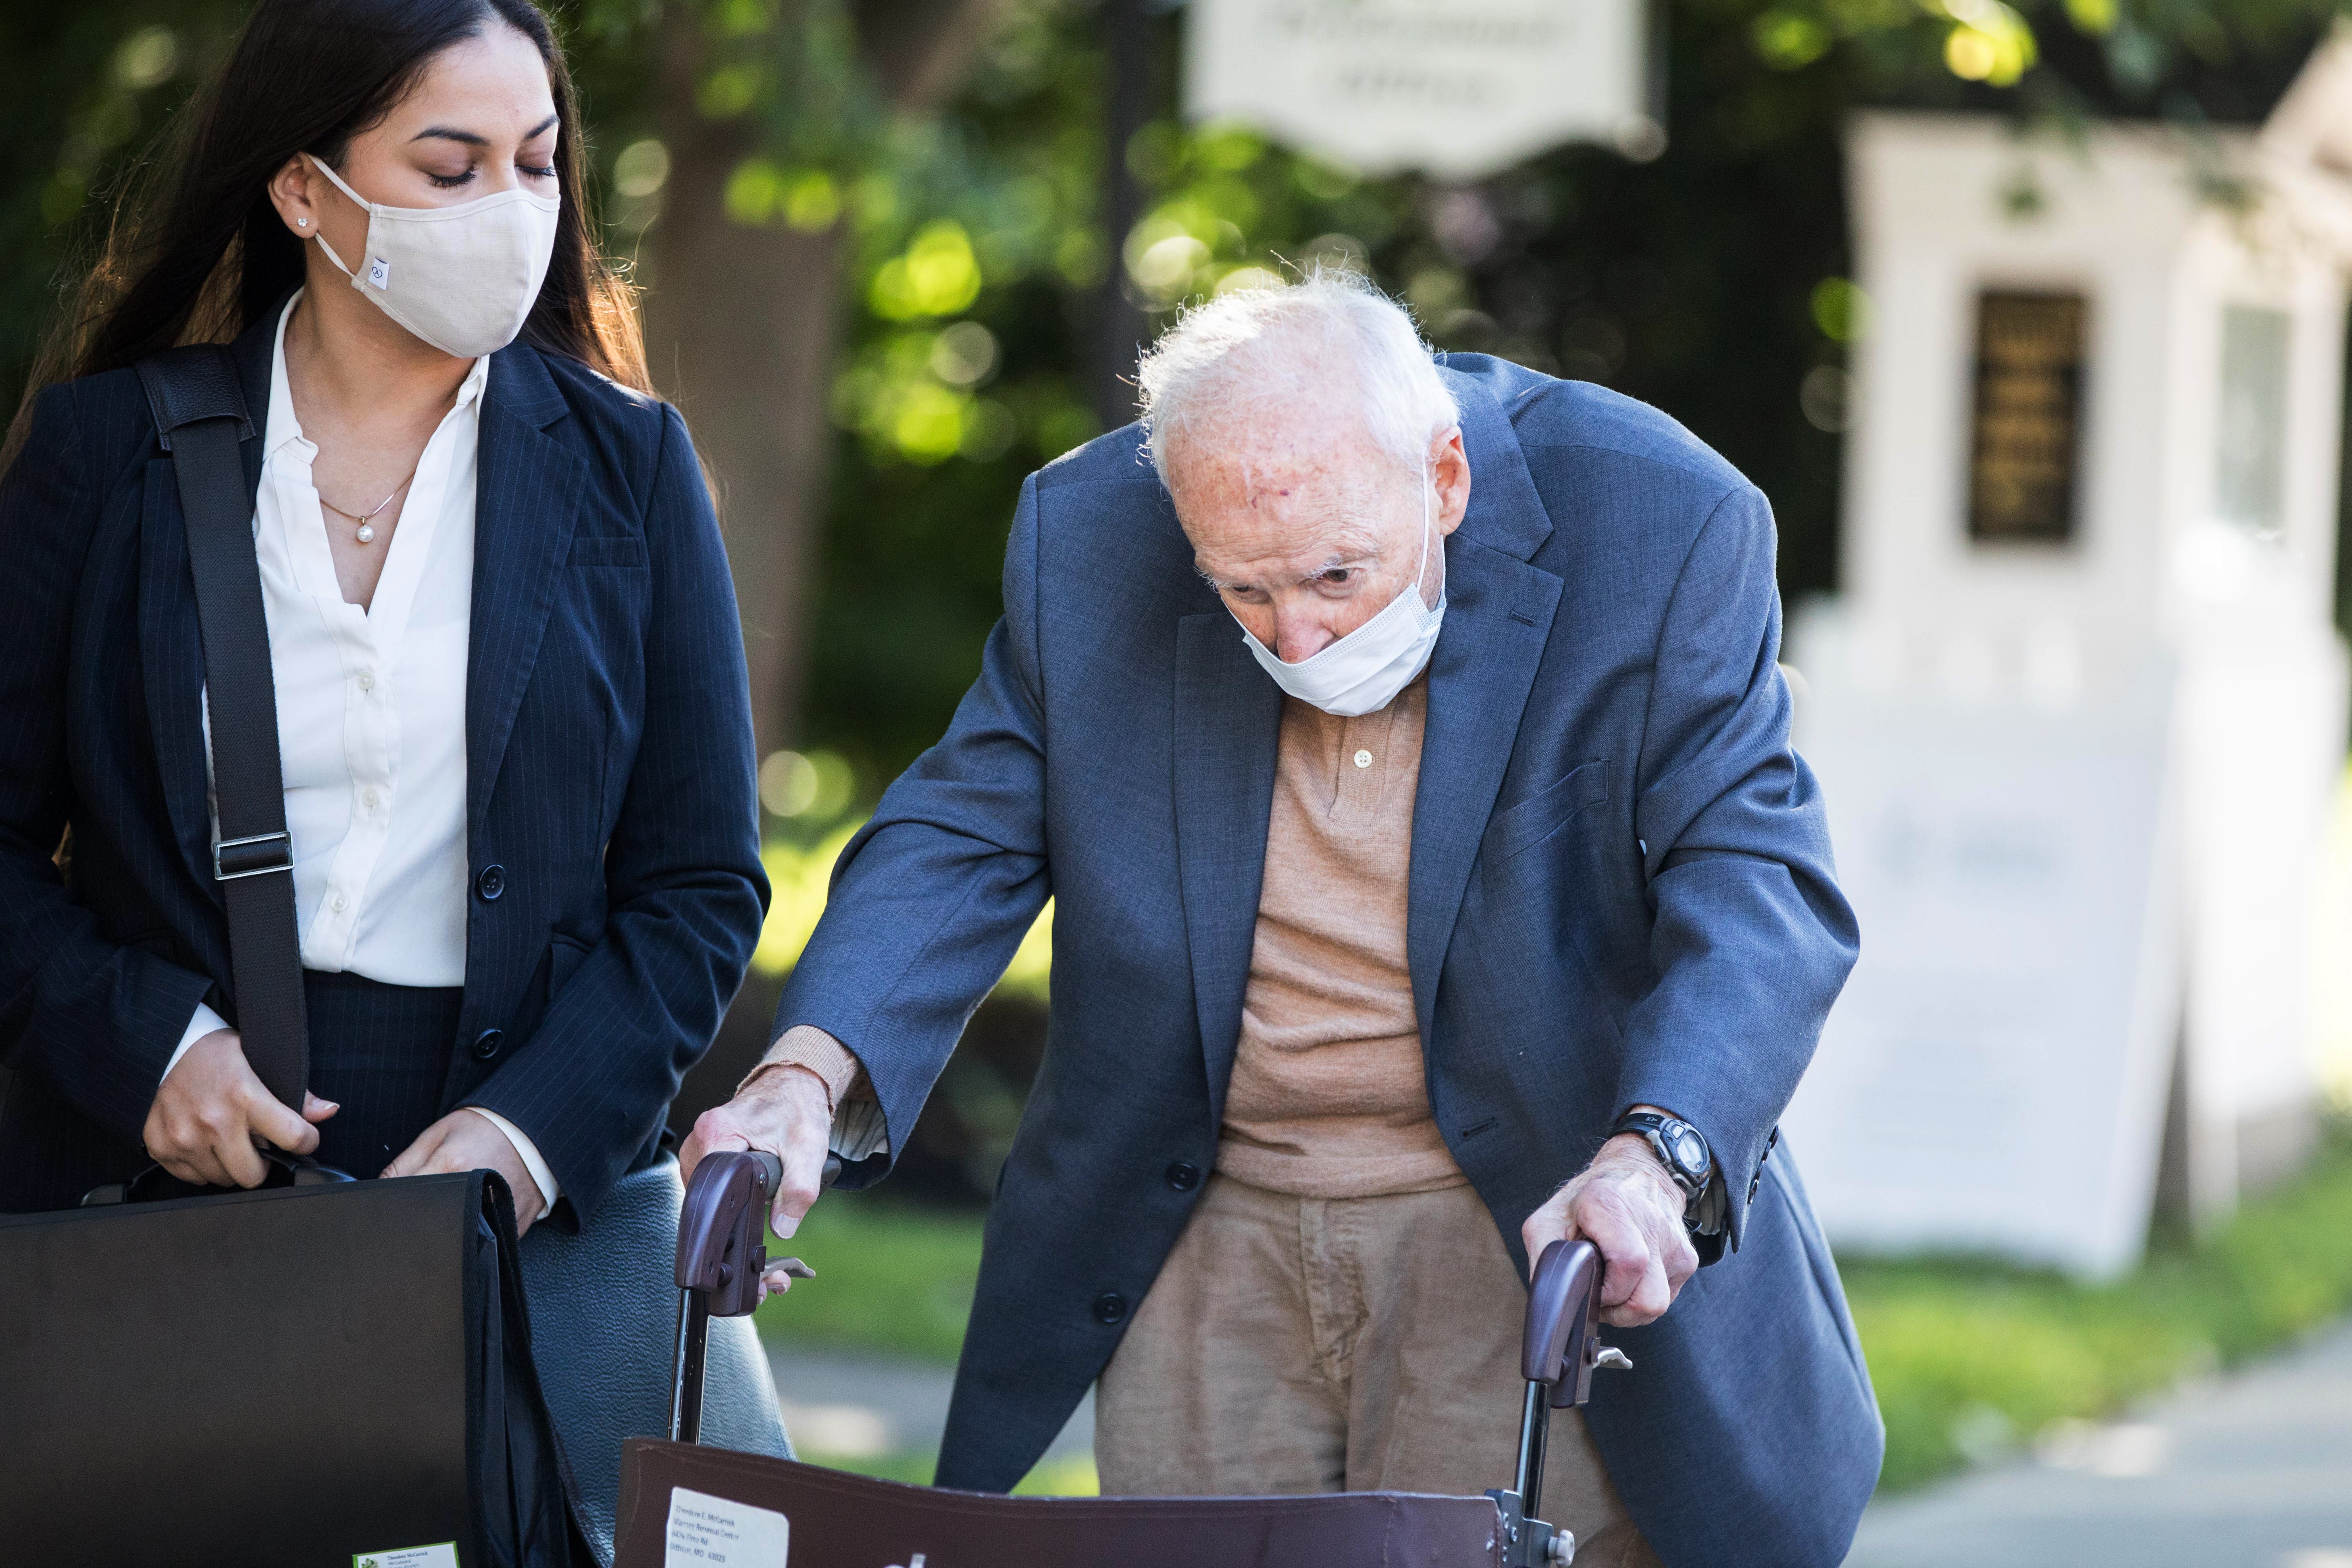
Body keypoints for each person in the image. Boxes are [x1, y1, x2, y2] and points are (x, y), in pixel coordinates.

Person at [684, 273, 1882, 1565]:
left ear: (1444, 481)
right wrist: (805, 1073)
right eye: (1243, 593)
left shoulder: (1659, 518)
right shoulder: (1090, 532)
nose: (1299, 636)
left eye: (1333, 575)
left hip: (1526, 1204)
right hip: (1204, 1220)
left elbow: (1758, 882)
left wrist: (1658, 1157)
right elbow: (963, 829)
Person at [0, 0, 764, 1244]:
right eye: (451, 168)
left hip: (482, 1183)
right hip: (138, 1183)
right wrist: (145, 1049)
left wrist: (526, 1138)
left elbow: (699, 887)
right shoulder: (107, 454)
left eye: (536, 162)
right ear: (303, 192)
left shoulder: (632, 468)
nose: (513, 209)